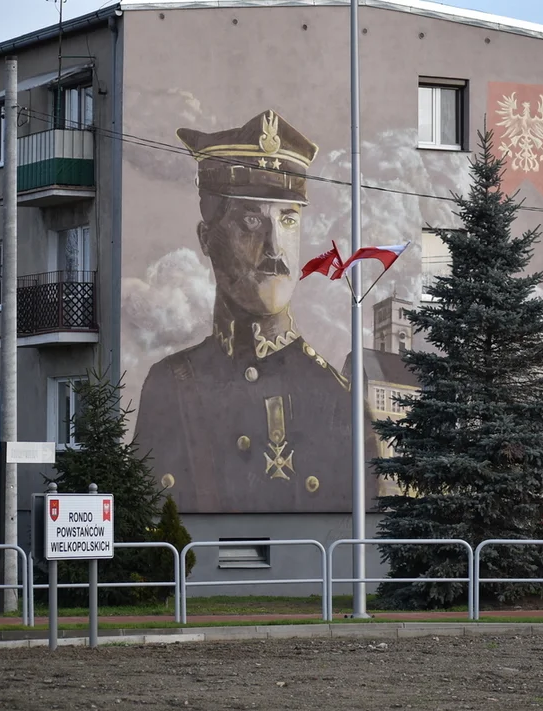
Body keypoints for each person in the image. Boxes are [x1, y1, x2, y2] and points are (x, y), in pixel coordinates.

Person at [134, 108, 379, 514]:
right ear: (206, 238)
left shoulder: (338, 400)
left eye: (288, 220)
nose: (275, 250)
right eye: (251, 221)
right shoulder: (168, 386)